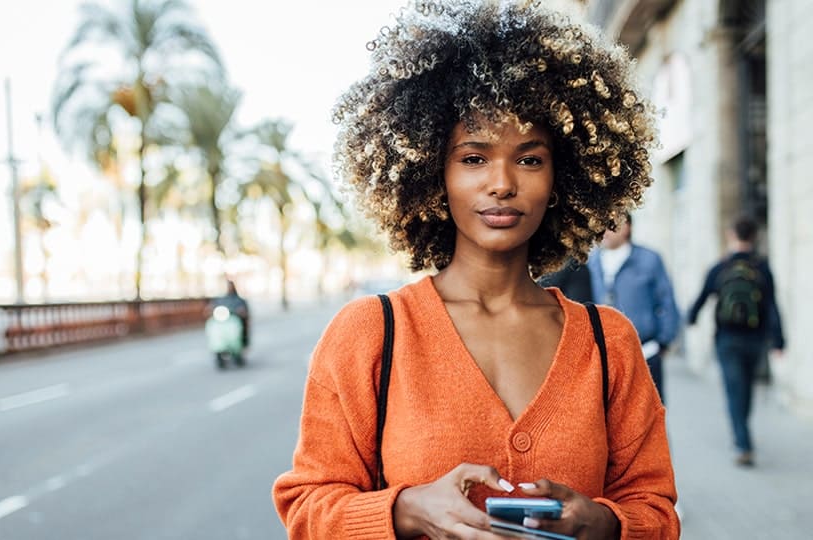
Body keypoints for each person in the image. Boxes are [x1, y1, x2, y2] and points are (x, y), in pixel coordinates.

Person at [273, 1, 679, 538]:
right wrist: (404, 510)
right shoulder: (370, 334)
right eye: (473, 158)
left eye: (530, 159)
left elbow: (656, 509)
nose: (502, 182)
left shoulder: (611, 343)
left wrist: (604, 522)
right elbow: (306, 506)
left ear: (563, 177)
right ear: (431, 170)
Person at [687, 215, 785, 467]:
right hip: (755, 339)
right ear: (754, 237)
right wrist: (779, 341)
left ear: (731, 235)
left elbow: (702, 297)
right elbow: (772, 305)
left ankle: (743, 443)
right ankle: (743, 435)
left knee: (733, 391)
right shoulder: (762, 268)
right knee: (747, 388)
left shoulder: (721, 266)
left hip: (727, 339)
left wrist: (691, 318)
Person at [587, 213, 680, 403]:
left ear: (626, 227)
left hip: (646, 351)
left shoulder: (649, 260)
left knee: (650, 416)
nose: (604, 231)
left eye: (611, 225)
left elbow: (667, 300)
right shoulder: (590, 263)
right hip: (603, 355)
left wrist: (663, 342)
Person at [210, 280, 249, 347]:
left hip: (234, 319)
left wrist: (240, 312)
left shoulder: (239, 300)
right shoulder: (220, 299)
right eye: (228, 286)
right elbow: (212, 306)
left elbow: (244, 311)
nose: (229, 288)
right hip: (223, 320)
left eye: (230, 286)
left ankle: (241, 344)